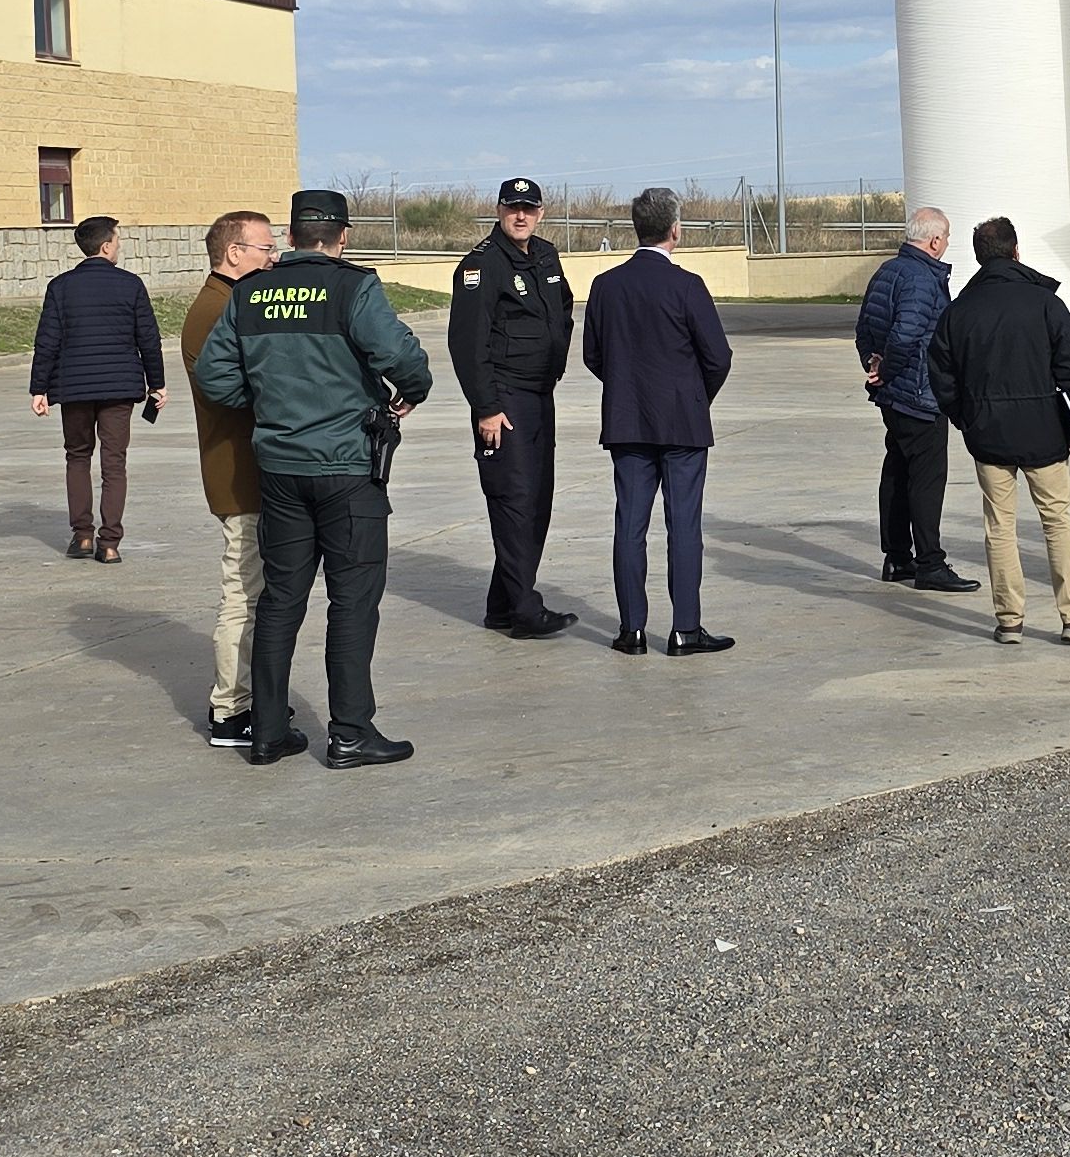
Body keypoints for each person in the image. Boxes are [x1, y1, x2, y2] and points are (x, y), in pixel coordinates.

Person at [194, 189, 436, 769]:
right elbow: (402, 357)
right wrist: (412, 391)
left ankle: (269, 733)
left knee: (279, 601)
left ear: (294, 235)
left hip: (279, 469)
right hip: (348, 468)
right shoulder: (354, 287)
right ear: (342, 237)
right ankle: (350, 732)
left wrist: (269, 403)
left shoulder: (249, 294)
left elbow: (213, 375)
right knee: (352, 602)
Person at [927, 215, 1070, 646]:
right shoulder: (1044, 303)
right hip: (1044, 432)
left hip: (988, 433)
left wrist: (965, 418)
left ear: (978, 255)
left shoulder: (960, 310)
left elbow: (941, 376)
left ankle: (1009, 620)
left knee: (999, 526)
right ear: (1016, 251)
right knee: (1057, 521)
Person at [581, 187, 735, 657]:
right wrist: (692, 398)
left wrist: (628, 388)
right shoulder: (687, 285)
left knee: (630, 525)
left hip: (628, 423)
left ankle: (632, 630)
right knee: (683, 526)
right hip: (681, 423)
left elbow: (593, 355)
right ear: (675, 230)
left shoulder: (606, 286)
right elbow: (718, 357)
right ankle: (685, 629)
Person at [447, 177, 581, 641]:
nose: (520, 216)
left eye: (528, 208)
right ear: (499, 212)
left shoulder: (545, 255)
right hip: (503, 399)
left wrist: (555, 359)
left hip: (540, 395)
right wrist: (485, 406)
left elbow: (561, 308)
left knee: (537, 499)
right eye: (512, 209)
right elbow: (466, 342)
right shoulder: (481, 267)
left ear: (540, 212)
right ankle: (525, 609)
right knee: (514, 499)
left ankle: (501, 604)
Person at [177, 209, 280, 747]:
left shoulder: (232, 303)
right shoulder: (217, 310)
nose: (274, 256)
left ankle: (249, 698)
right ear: (234, 253)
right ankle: (230, 709)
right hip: (238, 473)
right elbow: (241, 389)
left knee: (257, 591)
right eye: (265, 247)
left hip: (248, 469)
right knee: (243, 591)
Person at [30, 214, 166, 562]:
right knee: (114, 463)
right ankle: (109, 544)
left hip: (74, 387)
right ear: (106, 246)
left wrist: (39, 388)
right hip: (120, 388)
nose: (119, 246)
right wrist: (157, 385)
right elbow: (148, 339)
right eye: (118, 241)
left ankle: (83, 536)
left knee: (77, 456)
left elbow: (47, 341)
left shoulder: (60, 287)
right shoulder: (131, 284)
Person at [856, 207, 972, 592]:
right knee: (926, 477)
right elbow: (906, 335)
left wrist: (874, 366)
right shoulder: (923, 279)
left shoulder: (887, 271)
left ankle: (897, 557)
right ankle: (929, 563)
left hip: (893, 396)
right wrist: (887, 369)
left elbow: (864, 328)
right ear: (935, 240)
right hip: (919, 395)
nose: (947, 243)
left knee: (898, 471)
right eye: (947, 236)